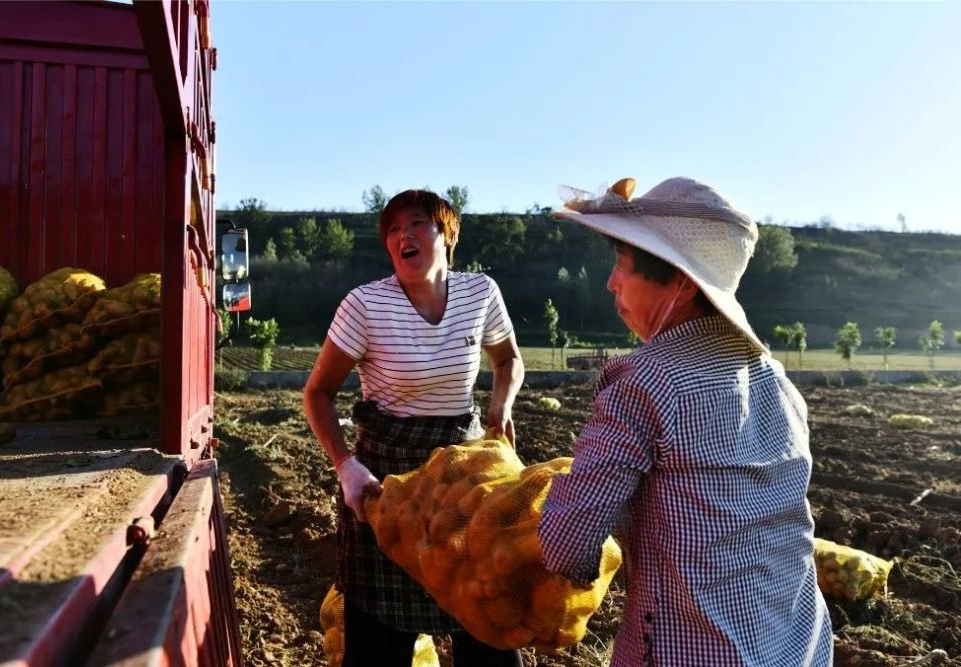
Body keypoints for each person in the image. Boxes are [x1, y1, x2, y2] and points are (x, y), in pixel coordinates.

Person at [538, 177, 833, 666]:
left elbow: (567, 544)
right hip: (799, 643)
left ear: (680, 281)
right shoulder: (779, 383)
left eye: (622, 264)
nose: (611, 282)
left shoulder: (644, 383)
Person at [304, 189, 525, 666]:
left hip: (462, 480)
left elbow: (508, 359)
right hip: (388, 486)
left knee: (487, 622)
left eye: (417, 223)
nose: (403, 235)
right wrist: (345, 466)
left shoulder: (480, 293)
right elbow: (318, 393)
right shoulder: (365, 305)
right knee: (379, 640)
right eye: (393, 230)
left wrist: (500, 406)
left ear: (447, 233)